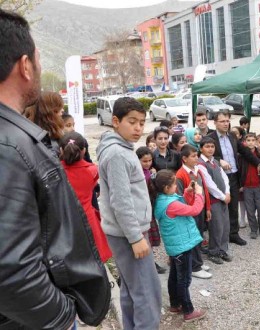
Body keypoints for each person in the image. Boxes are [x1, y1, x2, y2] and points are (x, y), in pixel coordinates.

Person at [0, 10, 109, 329]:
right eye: (38, 60)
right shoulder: (11, 145)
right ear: (24, 66)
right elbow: (9, 268)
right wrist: (62, 317)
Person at [96, 97, 161, 329]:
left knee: (133, 292)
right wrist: (135, 237)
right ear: (115, 121)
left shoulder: (119, 148)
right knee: (147, 295)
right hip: (128, 234)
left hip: (125, 232)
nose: (138, 128)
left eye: (142, 123)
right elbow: (120, 201)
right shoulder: (117, 154)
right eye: (132, 122)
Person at [152, 169, 207, 322]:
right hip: (182, 246)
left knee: (175, 276)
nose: (176, 187)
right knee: (184, 279)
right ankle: (188, 311)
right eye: (175, 184)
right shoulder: (171, 204)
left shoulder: (162, 200)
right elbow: (194, 210)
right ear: (166, 188)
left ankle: (175, 304)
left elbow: (180, 202)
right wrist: (199, 194)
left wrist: (188, 193)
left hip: (175, 246)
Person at [207, 111, 260, 246]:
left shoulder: (232, 136)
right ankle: (220, 236)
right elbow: (204, 155)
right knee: (220, 206)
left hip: (233, 176)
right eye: (222, 121)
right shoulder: (210, 138)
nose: (226, 124)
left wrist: (258, 162)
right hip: (219, 177)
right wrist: (218, 160)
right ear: (215, 123)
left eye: (227, 121)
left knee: (233, 206)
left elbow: (245, 152)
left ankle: (233, 234)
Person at [60, 132, 112, 263]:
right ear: (84, 150)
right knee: (94, 258)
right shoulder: (92, 170)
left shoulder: (55, 171)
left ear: (61, 149)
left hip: (63, 221)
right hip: (88, 220)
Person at [175, 144, 215, 278]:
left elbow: (205, 191)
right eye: (193, 156)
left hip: (200, 209)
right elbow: (180, 197)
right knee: (192, 238)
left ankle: (198, 261)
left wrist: (207, 207)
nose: (196, 158)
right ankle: (194, 267)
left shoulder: (198, 170)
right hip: (190, 212)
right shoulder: (181, 175)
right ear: (184, 159)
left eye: (197, 155)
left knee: (198, 237)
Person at [197, 137, 231, 265]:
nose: (210, 149)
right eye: (207, 146)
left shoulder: (215, 162)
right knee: (216, 227)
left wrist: (227, 192)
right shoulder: (200, 164)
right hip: (213, 200)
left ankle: (223, 249)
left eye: (212, 146)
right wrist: (222, 196)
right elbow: (209, 185)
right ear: (201, 148)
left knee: (225, 226)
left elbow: (224, 178)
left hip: (224, 198)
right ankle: (213, 251)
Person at [136, 146, 167, 274]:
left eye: (149, 161)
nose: (148, 163)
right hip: (140, 210)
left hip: (150, 208)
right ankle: (143, 265)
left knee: (150, 239)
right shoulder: (137, 174)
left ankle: (150, 262)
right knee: (143, 238)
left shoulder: (150, 172)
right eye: (144, 161)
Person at [239, 133, 260, 239]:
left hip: (259, 187)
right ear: (245, 142)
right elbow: (239, 171)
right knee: (250, 211)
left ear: (256, 142)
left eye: (253, 140)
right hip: (247, 187)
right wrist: (240, 185)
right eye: (248, 140)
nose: (251, 142)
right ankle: (253, 230)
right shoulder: (242, 157)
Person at [24, 91, 65, 157]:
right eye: (59, 107)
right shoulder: (49, 144)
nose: (63, 110)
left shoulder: (28, 133)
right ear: (49, 111)